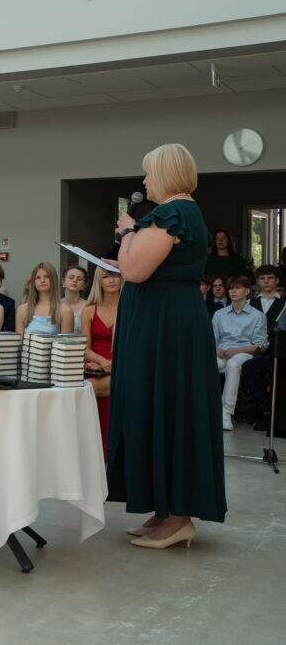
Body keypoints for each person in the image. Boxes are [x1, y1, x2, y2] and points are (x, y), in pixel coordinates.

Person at [109, 142, 226, 549]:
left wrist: (128, 232)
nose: (144, 181)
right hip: (163, 320)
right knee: (154, 406)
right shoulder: (177, 212)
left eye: (149, 173)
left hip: (166, 325)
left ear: (165, 174)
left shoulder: (172, 212)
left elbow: (134, 271)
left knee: (168, 407)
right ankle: (163, 508)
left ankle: (178, 519)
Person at [212, 275, 265, 431]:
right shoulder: (219, 314)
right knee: (208, 363)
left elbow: (261, 345)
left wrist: (239, 350)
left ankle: (226, 412)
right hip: (222, 352)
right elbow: (212, 339)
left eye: (237, 288)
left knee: (233, 365)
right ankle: (205, 408)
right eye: (231, 289)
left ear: (247, 291)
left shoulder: (257, 316)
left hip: (244, 353)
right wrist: (215, 348)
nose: (233, 291)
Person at [81, 267, 123, 459]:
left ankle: (101, 451)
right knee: (79, 386)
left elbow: (135, 346)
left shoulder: (129, 308)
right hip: (95, 365)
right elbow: (85, 348)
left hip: (122, 365)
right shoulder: (89, 310)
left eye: (115, 275)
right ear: (99, 281)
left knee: (89, 387)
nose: (111, 280)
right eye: (106, 276)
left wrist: (110, 363)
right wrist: (102, 362)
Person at [15, 263, 74, 336]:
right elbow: (20, 340)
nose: (42, 280)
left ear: (53, 279)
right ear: (34, 282)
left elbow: (66, 341)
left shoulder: (65, 311)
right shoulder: (22, 309)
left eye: (47, 276)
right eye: (38, 277)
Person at [249, 265, 284, 336]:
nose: (266, 281)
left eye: (270, 278)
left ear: (277, 280)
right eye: (262, 278)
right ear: (258, 281)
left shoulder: (285, 303)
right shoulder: (248, 303)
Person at [61, 265, 89, 333]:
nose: (74, 280)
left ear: (83, 285)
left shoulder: (88, 307)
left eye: (79, 279)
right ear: (63, 281)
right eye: (71, 278)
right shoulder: (55, 305)